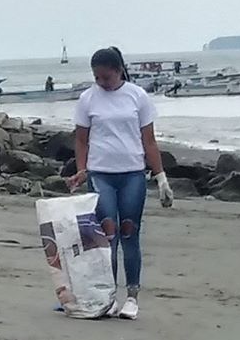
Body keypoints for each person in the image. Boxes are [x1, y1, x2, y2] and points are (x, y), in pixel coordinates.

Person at [68, 46, 174, 321]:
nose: (102, 82)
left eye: (106, 77)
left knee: (129, 233)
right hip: (100, 173)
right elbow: (81, 140)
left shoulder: (137, 96)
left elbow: (149, 141)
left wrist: (161, 177)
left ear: (119, 71)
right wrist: (81, 170)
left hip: (132, 174)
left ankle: (132, 297)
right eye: (97, 77)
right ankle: (109, 296)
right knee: (108, 235)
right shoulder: (87, 99)